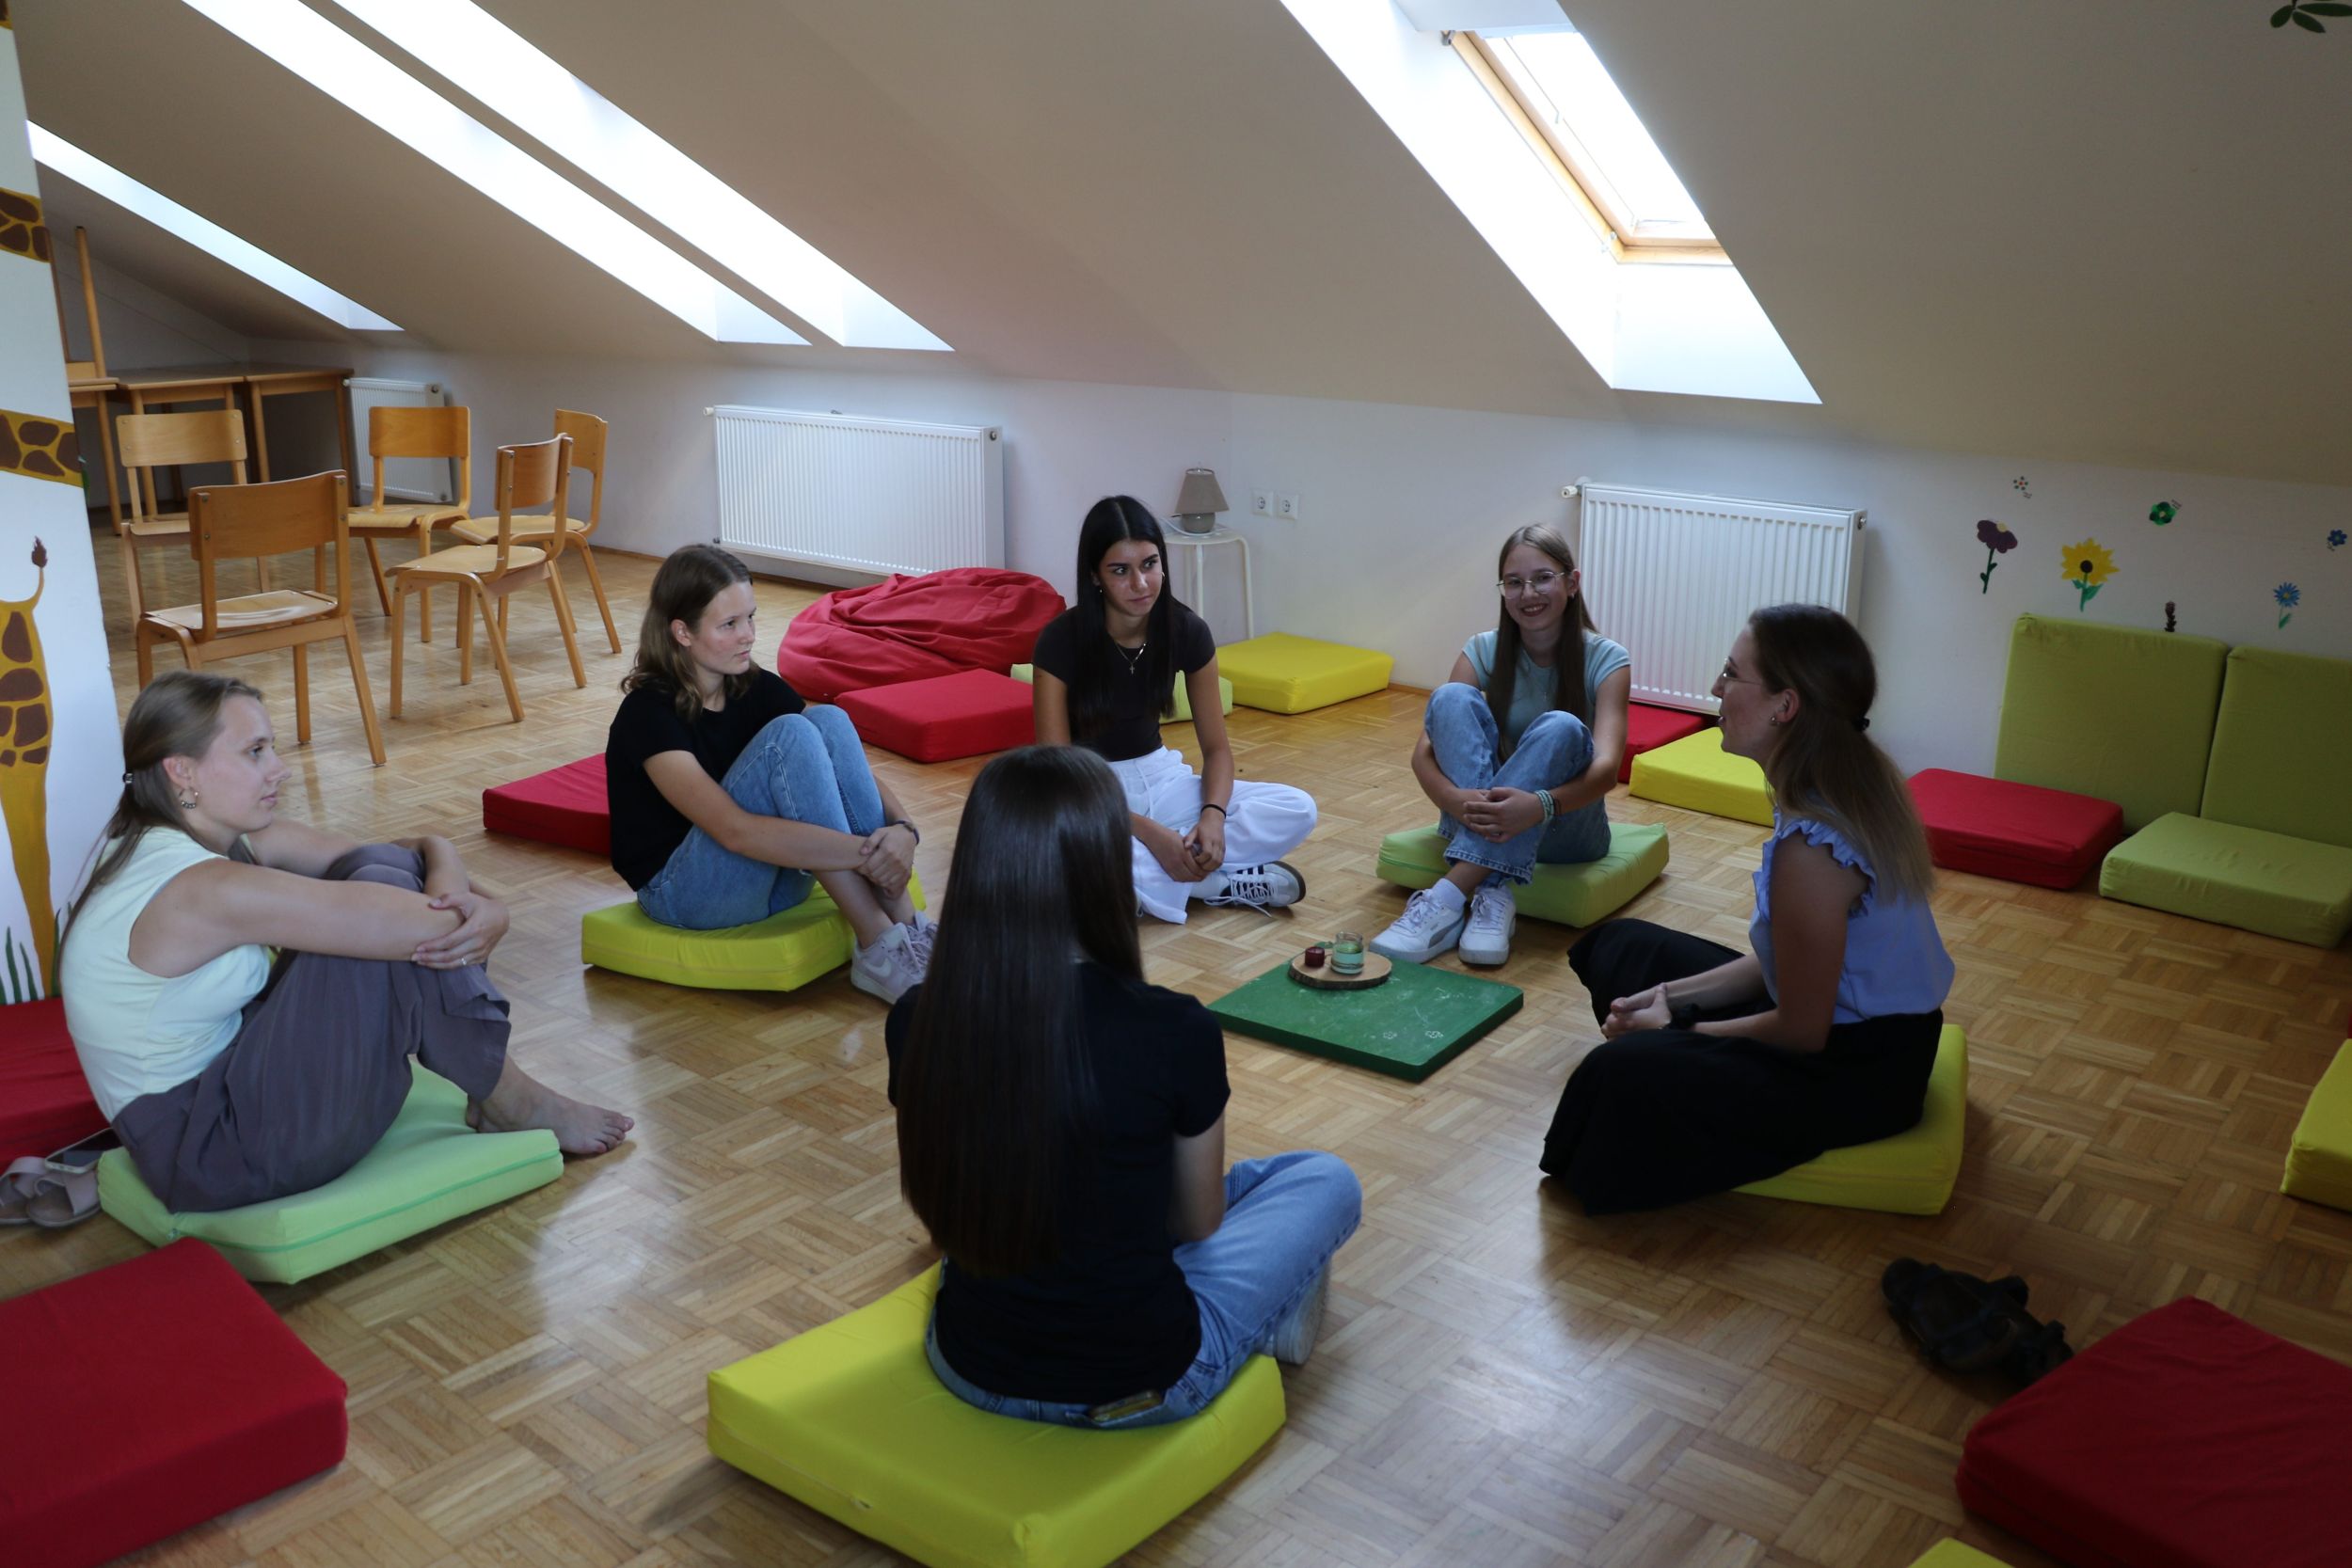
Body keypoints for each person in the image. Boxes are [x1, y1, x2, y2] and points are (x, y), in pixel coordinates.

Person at [886, 746, 1360, 1427]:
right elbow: (1195, 1223)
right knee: (1324, 1179)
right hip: (1137, 1383)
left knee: (1184, 1185)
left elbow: (943, 1210)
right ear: (1108, 867)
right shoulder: (1174, 1027)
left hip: (965, 1362)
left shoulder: (916, 1016)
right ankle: (1262, 1320)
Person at [58, 671, 630, 1214]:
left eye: (271, 748)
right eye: (255, 752)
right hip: (212, 1150)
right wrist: (473, 901)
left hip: (233, 1080)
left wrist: (443, 853)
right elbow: (434, 924)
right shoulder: (203, 889)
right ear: (182, 771)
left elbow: (392, 856)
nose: (280, 769)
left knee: (378, 875)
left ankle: (498, 1090)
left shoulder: (183, 837)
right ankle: (510, 1097)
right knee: (384, 921)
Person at [1540, 605, 1954, 1212]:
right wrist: (1669, 998)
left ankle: (1661, 1068)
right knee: (1620, 945)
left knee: (1614, 1072)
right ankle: (1664, 1054)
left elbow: (1802, 1030)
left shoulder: (1813, 846)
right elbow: (1785, 963)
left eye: (1732, 674)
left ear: (1785, 705)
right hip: (1838, 1027)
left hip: (1858, 1071)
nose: (1716, 687)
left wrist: (1678, 1030)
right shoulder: (1827, 786)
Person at [606, 545, 930, 1002]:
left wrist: (903, 830)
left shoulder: (752, 685)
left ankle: (909, 929)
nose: (749, 636)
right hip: (688, 895)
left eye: (751, 618)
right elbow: (735, 832)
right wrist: (867, 854)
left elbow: (842, 770)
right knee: (790, 735)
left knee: (828, 721)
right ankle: (877, 944)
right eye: (729, 625)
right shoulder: (646, 714)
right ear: (682, 632)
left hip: (772, 882)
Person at [1031, 496, 1317, 922]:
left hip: (1162, 779)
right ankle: (1218, 885)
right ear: (1094, 576)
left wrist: (1213, 818)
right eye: (1120, 571)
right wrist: (1154, 835)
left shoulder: (1187, 630)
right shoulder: (1059, 641)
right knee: (1063, 850)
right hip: (1088, 792)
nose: (1141, 583)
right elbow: (1058, 776)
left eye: (1149, 564)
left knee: (1298, 808)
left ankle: (1150, 882)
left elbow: (1217, 751)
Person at [1372, 524, 1630, 967]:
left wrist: (1539, 805)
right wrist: (1453, 799)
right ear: (1503, 591)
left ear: (1572, 583)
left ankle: (1447, 896)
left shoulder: (1607, 658)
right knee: (1449, 697)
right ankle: (1492, 891)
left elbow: (1606, 769)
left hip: (1564, 826)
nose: (1528, 593)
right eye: (1514, 582)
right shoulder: (1482, 649)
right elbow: (1423, 754)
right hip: (1478, 815)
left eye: (1543, 578)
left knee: (1562, 726)